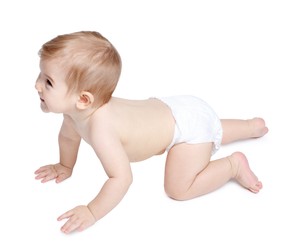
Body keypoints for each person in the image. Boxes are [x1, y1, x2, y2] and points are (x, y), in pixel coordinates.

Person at [34, 31, 268, 234]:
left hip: (185, 129)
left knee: (177, 188)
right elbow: (67, 138)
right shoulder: (75, 115)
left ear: (83, 99)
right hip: (178, 108)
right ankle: (250, 126)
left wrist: (92, 211)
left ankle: (233, 166)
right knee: (207, 126)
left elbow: (121, 178)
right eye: (41, 76)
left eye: (49, 82)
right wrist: (65, 166)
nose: (37, 85)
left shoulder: (101, 129)